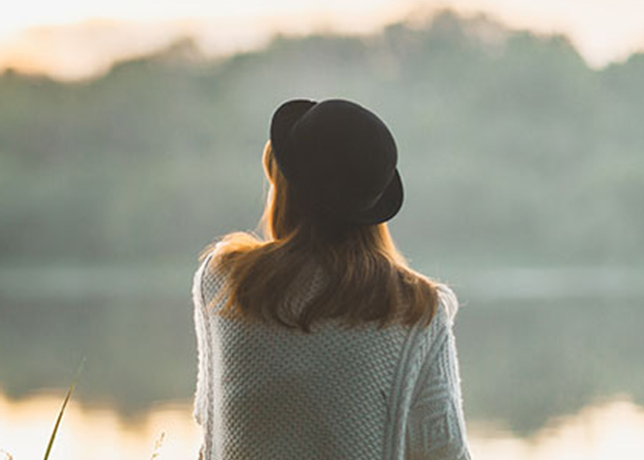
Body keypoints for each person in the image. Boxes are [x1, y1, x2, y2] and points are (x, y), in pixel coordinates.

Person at [191, 98, 472, 460]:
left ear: (286, 190)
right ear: (371, 208)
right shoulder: (417, 310)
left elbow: (210, 423)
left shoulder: (224, 282)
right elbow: (444, 453)